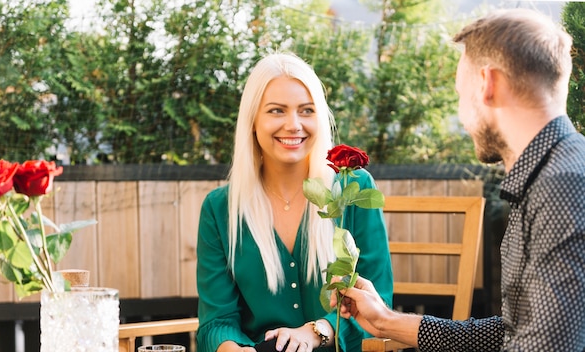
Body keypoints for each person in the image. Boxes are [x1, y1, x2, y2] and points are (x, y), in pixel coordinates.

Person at [332, 8, 585, 351]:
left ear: (487, 84)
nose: (461, 114)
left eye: (459, 94)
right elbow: (517, 330)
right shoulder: (556, 173)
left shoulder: (562, 187)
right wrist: (386, 321)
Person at [195, 52, 394, 352]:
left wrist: (317, 331)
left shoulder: (354, 189)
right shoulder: (219, 209)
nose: (293, 125)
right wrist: (232, 349)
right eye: (276, 111)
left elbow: (379, 303)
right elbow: (216, 320)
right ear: (252, 120)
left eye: (306, 110)